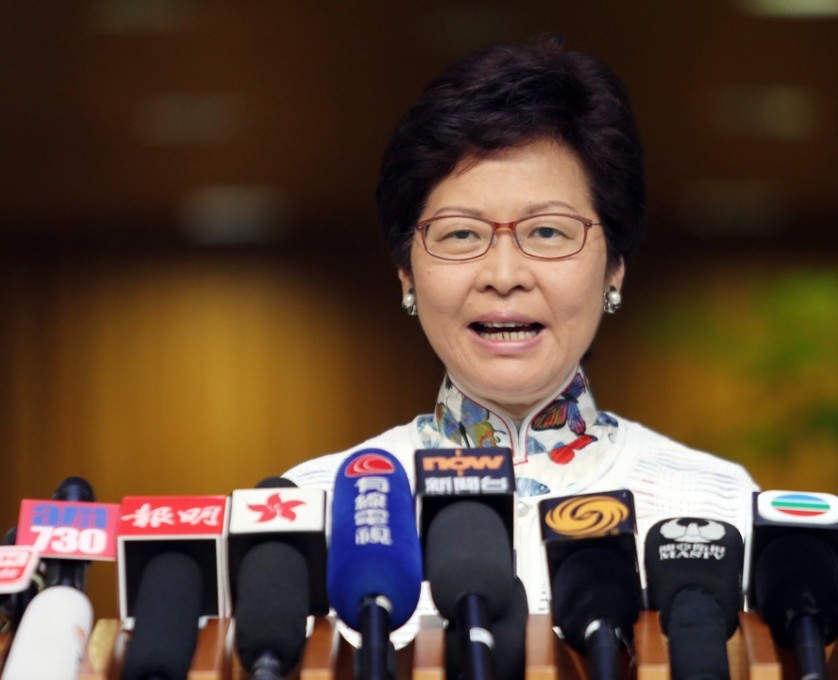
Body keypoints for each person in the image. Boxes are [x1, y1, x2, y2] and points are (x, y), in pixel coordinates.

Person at [284, 35, 756, 629]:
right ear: (406, 272)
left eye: (548, 233)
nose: (504, 276)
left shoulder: (717, 502)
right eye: (460, 234)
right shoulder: (315, 508)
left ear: (615, 267)